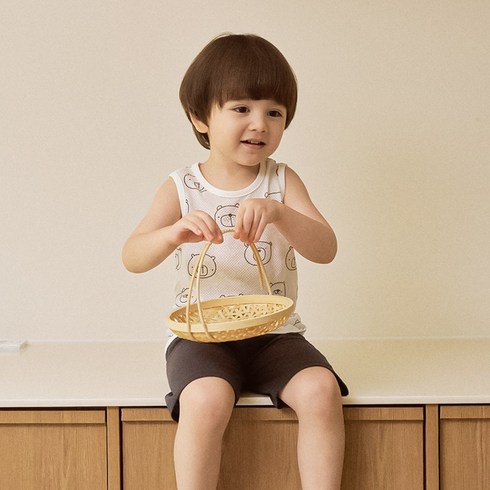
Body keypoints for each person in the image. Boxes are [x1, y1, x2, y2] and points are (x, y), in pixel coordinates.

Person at [122, 33, 349, 490]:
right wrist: (171, 234)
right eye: (241, 108)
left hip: (274, 334)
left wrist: (281, 213)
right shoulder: (182, 185)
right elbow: (133, 255)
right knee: (206, 398)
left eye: (274, 112)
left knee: (321, 389)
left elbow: (325, 249)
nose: (259, 124)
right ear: (199, 117)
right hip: (199, 336)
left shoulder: (282, 181)